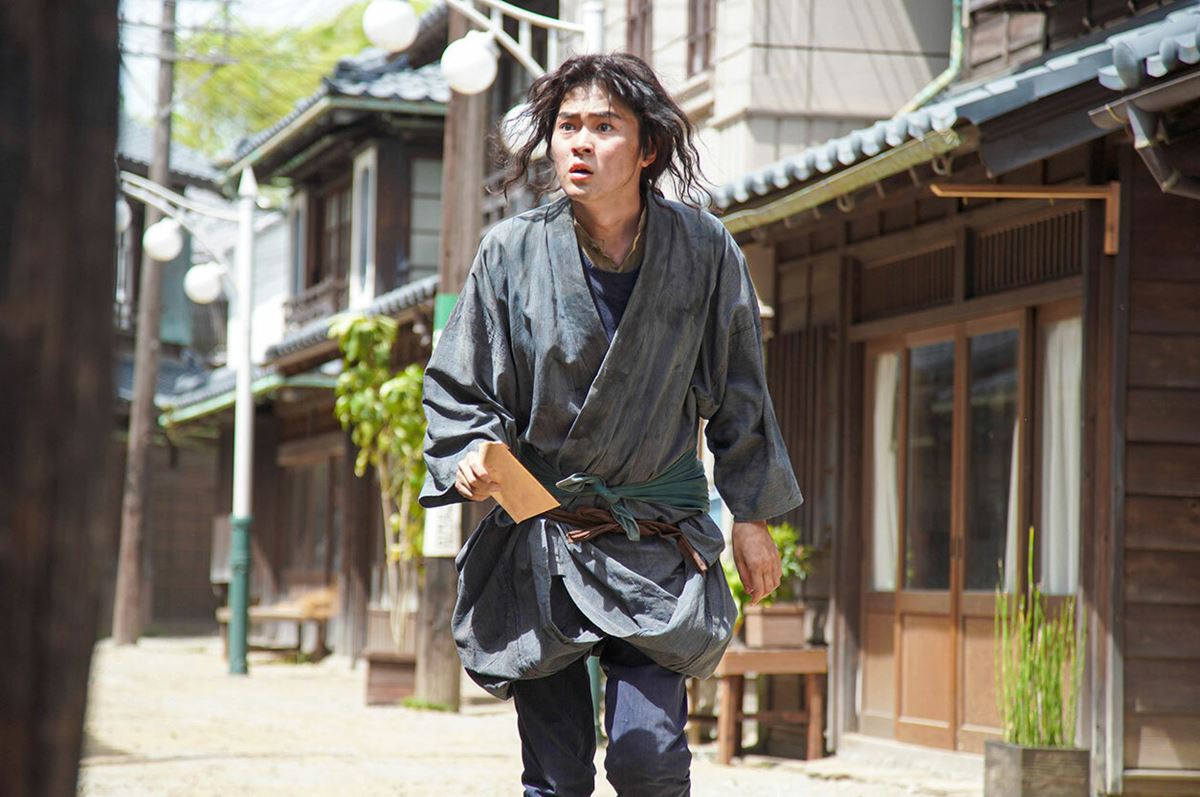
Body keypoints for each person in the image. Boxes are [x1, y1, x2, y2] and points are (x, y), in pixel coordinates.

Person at [419, 53, 802, 797]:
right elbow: (463, 383)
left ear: (647, 147)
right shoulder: (511, 251)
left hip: (657, 537)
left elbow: (741, 393)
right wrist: (471, 448)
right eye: (567, 126)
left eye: (603, 126)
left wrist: (753, 518)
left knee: (645, 757)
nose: (580, 143)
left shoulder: (705, 250)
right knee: (557, 775)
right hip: (544, 536)